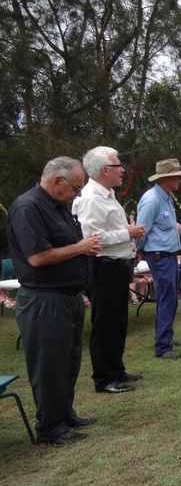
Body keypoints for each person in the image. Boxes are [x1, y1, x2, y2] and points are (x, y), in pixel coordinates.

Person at [6, 156, 102, 444]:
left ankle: (64, 413)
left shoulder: (60, 207)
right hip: (44, 300)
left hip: (68, 298)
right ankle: (49, 427)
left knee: (69, 362)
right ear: (57, 180)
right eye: (76, 187)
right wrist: (80, 247)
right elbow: (37, 257)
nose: (78, 194)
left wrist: (83, 250)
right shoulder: (28, 208)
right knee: (49, 364)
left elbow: (68, 247)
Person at [72, 146, 145, 395]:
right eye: (118, 166)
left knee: (118, 321)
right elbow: (89, 237)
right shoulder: (91, 198)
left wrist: (128, 237)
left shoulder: (108, 194)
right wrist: (128, 233)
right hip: (103, 267)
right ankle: (104, 378)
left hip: (117, 266)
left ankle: (116, 369)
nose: (123, 170)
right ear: (105, 170)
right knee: (105, 323)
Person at [135, 158, 181, 358]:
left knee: (170, 300)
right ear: (168, 178)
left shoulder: (166, 197)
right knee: (167, 300)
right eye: (178, 176)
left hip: (168, 256)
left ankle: (165, 337)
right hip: (159, 257)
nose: (180, 180)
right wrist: (140, 252)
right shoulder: (152, 200)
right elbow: (141, 230)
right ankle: (162, 347)